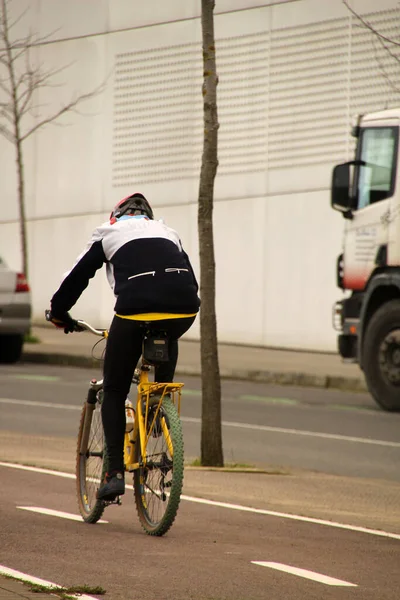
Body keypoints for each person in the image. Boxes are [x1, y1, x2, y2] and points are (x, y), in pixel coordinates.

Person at [48, 193, 200, 500]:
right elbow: (189, 279)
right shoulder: (167, 231)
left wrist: (59, 311)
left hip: (135, 310)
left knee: (115, 390)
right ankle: (158, 408)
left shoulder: (108, 231)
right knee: (168, 334)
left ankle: (113, 472)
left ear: (116, 216)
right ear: (148, 217)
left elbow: (78, 276)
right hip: (185, 308)